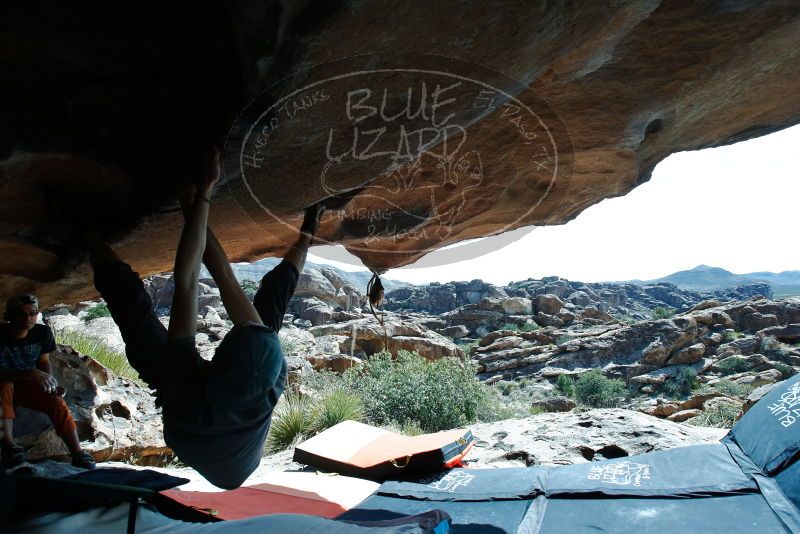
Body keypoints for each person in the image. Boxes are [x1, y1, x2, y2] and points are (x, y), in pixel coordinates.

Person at [79, 147, 322, 488]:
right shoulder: (273, 375)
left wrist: (200, 195)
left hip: (192, 438)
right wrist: (193, 201)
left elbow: (189, 279)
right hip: (234, 444)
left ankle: (85, 233)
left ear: (217, 363)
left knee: (132, 309)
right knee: (273, 302)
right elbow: (224, 276)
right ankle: (309, 235)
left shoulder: (186, 388)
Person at [0, 294, 96, 472]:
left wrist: (51, 383)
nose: (28, 318)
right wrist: (29, 373)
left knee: (56, 401)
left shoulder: (41, 333)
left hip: (26, 386)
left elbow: (43, 361)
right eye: (21, 314)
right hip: (5, 385)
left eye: (33, 313)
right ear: (9, 317)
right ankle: (9, 446)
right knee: (4, 386)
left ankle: (77, 453)